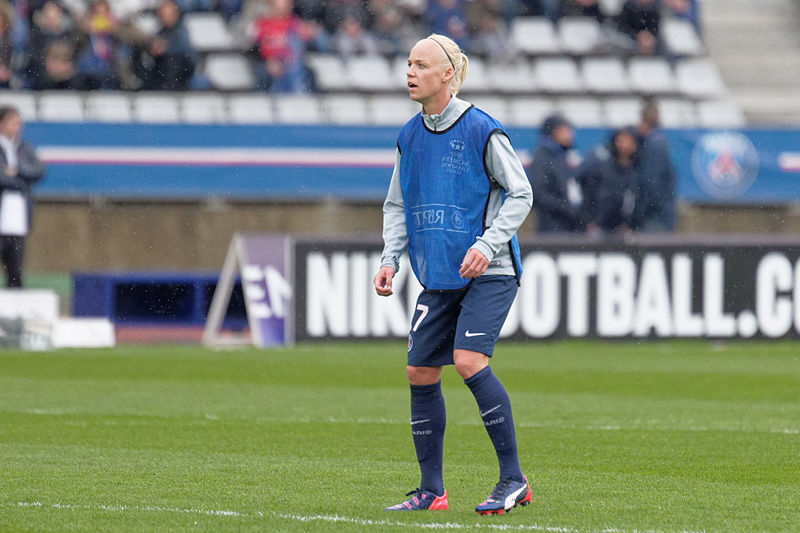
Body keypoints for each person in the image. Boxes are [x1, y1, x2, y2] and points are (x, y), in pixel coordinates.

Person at [374, 33, 533, 515]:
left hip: (491, 270)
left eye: (420, 64)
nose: (409, 72)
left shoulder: (482, 128)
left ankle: (513, 480)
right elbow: (398, 204)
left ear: (448, 74)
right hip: (439, 273)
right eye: (407, 63)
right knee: (419, 369)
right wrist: (389, 258)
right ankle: (431, 491)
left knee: (467, 360)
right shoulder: (409, 135)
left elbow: (520, 192)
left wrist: (487, 244)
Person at [0, 106, 45, 288]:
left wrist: (17, 172)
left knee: (15, 269)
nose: (17, 127)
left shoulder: (23, 147)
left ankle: (14, 308)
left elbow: (39, 170)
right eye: (13, 123)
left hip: (17, 218)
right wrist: (21, 181)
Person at [577, 127, 639, 235]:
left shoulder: (637, 168)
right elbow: (590, 193)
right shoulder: (603, 167)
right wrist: (589, 220)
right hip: (601, 226)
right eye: (620, 140)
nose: (623, 145)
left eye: (627, 141)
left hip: (626, 227)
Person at [528, 114, 584, 233]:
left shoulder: (560, 157)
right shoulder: (542, 158)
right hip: (552, 228)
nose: (569, 134)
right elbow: (539, 194)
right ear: (552, 132)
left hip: (567, 227)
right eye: (564, 130)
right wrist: (566, 208)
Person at [632, 99, 676, 232]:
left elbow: (651, 184)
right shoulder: (662, 142)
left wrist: (640, 212)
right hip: (664, 212)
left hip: (655, 217)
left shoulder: (653, 145)